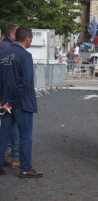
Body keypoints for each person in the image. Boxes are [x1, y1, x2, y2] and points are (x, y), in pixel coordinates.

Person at [0, 26, 43, 178]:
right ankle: (25, 168)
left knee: (3, 135)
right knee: (25, 136)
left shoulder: (2, 53)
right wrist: (12, 102)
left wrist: (3, 102)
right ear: (28, 39)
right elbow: (25, 82)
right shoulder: (25, 55)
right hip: (21, 103)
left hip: (4, 103)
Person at [0, 23, 20, 169]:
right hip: (10, 97)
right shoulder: (9, 49)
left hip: (4, 95)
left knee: (6, 128)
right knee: (14, 127)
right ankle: (16, 157)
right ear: (13, 35)